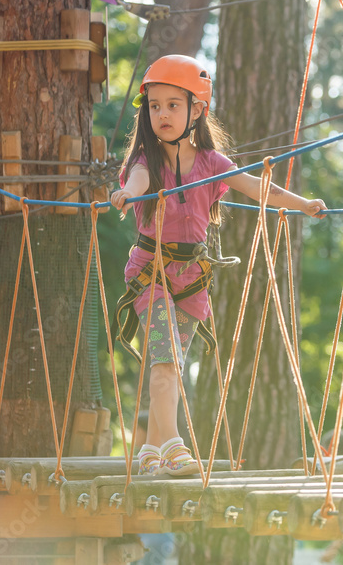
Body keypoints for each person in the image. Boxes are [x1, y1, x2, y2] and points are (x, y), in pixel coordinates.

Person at [111, 54, 326, 477]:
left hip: (191, 281)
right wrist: (124, 195)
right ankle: (173, 446)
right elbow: (134, 181)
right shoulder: (145, 163)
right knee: (166, 361)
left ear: (197, 110)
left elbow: (260, 189)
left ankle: (150, 451)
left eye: (173, 104)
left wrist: (303, 205)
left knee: (168, 364)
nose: (162, 114)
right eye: (154, 106)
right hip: (150, 274)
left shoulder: (213, 164)